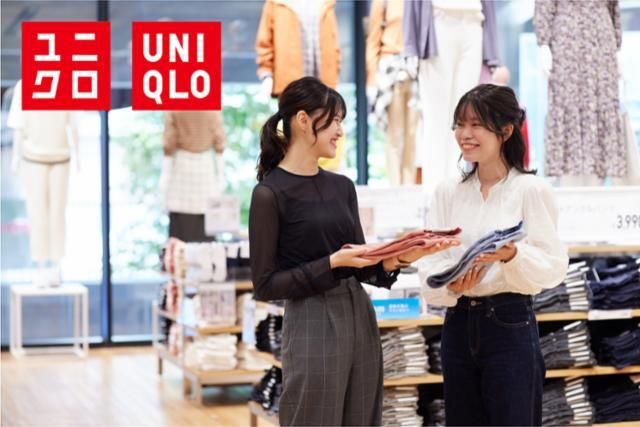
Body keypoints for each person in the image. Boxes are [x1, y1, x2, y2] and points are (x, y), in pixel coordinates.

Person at [249, 76, 458, 426]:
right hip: (310, 318)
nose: (340, 131)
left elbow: (362, 266)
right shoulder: (269, 194)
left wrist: (402, 256)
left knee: (363, 417)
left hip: (358, 312)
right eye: (334, 121)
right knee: (312, 419)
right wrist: (331, 263)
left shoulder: (342, 187)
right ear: (303, 120)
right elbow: (266, 285)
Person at [417, 84, 569, 426]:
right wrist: (450, 286)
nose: (465, 134)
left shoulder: (531, 189)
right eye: (459, 124)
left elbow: (553, 265)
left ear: (505, 131)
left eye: (476, 125)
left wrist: (513, 255)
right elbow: (430, 262)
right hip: (457, 324)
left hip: (509, 322)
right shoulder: (448, 191)